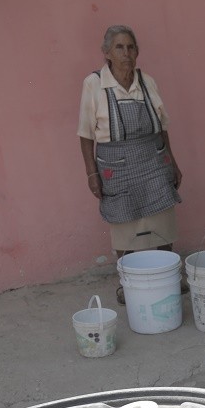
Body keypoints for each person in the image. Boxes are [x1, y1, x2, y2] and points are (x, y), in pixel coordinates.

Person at [78, 25, 183, 303]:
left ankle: (169, 277)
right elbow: (86, 135)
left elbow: (161, 126)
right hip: (116, 164)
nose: (127, 53)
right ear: (107, 53)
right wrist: (92, 173)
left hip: (152, 157)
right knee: (124, 223)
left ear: (138, 52)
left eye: (131, 47)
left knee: (162, 218)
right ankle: (128, 284)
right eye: (119, 47)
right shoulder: (94, 84)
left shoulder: (146, 81)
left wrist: (172, 162)